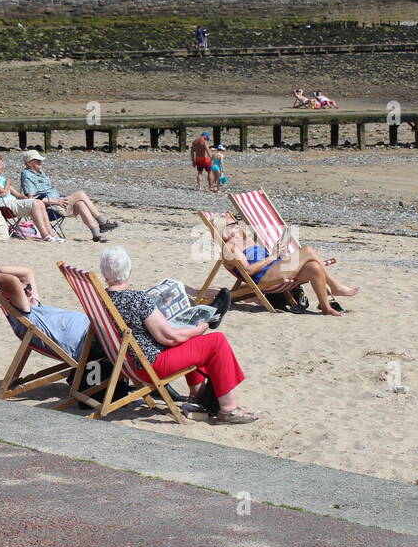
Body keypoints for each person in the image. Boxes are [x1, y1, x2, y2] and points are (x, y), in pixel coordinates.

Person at [100, 246, 256, 424]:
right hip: (150, 365)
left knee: (193, 338)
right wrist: (201, 327)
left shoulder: (102, 300)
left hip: (126, 363)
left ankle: (197, 397)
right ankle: (228, 409)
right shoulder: (137, 299)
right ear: (129, 270)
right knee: (216, 341)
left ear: (105, 274)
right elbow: (170, 338)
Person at [221, 221, 357, 317]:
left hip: (274, 268)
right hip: (264, 277)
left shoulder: (247, 241)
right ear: (222, 230)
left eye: (236, 223)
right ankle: (334, 287)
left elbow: (263, 258)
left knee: (313, 267)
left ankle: (326, 307)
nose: (237, 226)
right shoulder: (230, 248)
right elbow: (249, 271)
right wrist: (272, 256)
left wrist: (276, 253)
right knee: (308, 250)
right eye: (232, 225)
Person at [18, 150, 119, 243]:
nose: (41, 162)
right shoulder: (27, 175)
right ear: (29, 163)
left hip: (59, 205)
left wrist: (58, 201)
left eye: (40, 160)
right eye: (37, 160)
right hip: (49, 208)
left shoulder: (41, 173)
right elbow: (31, 199)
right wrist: (56, 201)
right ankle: (102, 222)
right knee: (80, 194)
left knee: (81, 204)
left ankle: (96, 234)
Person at [0, 153, 61, 243]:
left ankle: (51, 233)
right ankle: (45, 235)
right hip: (1, 205)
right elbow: (4, 192)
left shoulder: (1, 178)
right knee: (35, 204)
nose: (2, 166)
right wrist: (8, 183)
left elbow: (18, 195)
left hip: (11, 204)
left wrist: (30, 198)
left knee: (38, 202)